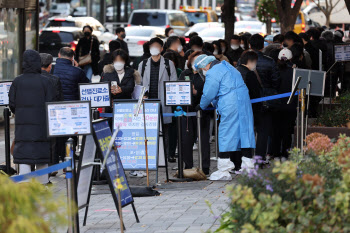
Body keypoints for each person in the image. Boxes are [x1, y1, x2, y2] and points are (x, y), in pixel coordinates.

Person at [194, 54, 255, 179]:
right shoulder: (230, 67)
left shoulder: (213, 72)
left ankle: (224, 169)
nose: (203, 71)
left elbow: (209, 93)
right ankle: (248, 167)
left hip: (230, 104)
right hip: (244, 102)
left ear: (206, 65)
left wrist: (201, 105)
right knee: (245, 132)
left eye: (202, 69)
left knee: (226, 133)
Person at [9, 50, 54, 184]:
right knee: (42, 157)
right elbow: (51, 104)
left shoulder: (17, 81)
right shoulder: (46, 81)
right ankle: (43, 184)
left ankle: (25, 186)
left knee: (24, 157)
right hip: (42, 127)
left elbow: (12, 104)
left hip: (23, 128)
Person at [138, 37, 177, 163]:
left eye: (156, 46)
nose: (154, 48)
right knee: (148, 129)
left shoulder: (168, 63)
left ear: (161, 48)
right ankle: (150, 155)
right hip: (148, 102)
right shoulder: (143, 64)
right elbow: (138, 84)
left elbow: (174, 83)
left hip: (164, 102)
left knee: (165, 130)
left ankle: (164, 156)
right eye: (151, 46)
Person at [248, 34, 280, 161]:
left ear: (250, 45)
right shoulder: (270, 61)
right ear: (263, 45)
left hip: (249, 98)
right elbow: (276, 81)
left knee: (248, 129)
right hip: (266, 99)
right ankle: (260, 158)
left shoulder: (243, 60)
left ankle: (246, 157)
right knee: (263, 130)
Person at [178, 51, 211, 175]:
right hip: (186, 111)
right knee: (186, 140)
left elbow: (209, 92)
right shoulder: (184, 73)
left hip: (202, 111)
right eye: (194, 60)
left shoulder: (205, 75)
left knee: (203, 140)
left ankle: (205, 167)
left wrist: (196, 93)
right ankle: (187, 166)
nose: (196, 63)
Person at [270, 48, 299, 160]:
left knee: (276, 131)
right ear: (291, 59)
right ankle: (285, 154)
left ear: (278, 59)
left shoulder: (274, 70)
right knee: (287, 131)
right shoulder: (295, 72)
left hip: (275, 105)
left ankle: (275, 154)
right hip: (290, 105)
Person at [40, 53, 64, 172]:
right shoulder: (54, 79)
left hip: (37, 115)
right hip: (52, 115)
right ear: (50, 66)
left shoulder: (33, 79)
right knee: (52, 143)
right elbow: (60, 99)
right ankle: (52, 168)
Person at [236, 50, 262, 118]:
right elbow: (255, 91)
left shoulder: (236, 70)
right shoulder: (249, 74)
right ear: (251, 61)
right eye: (255, 62)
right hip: (249, 105)